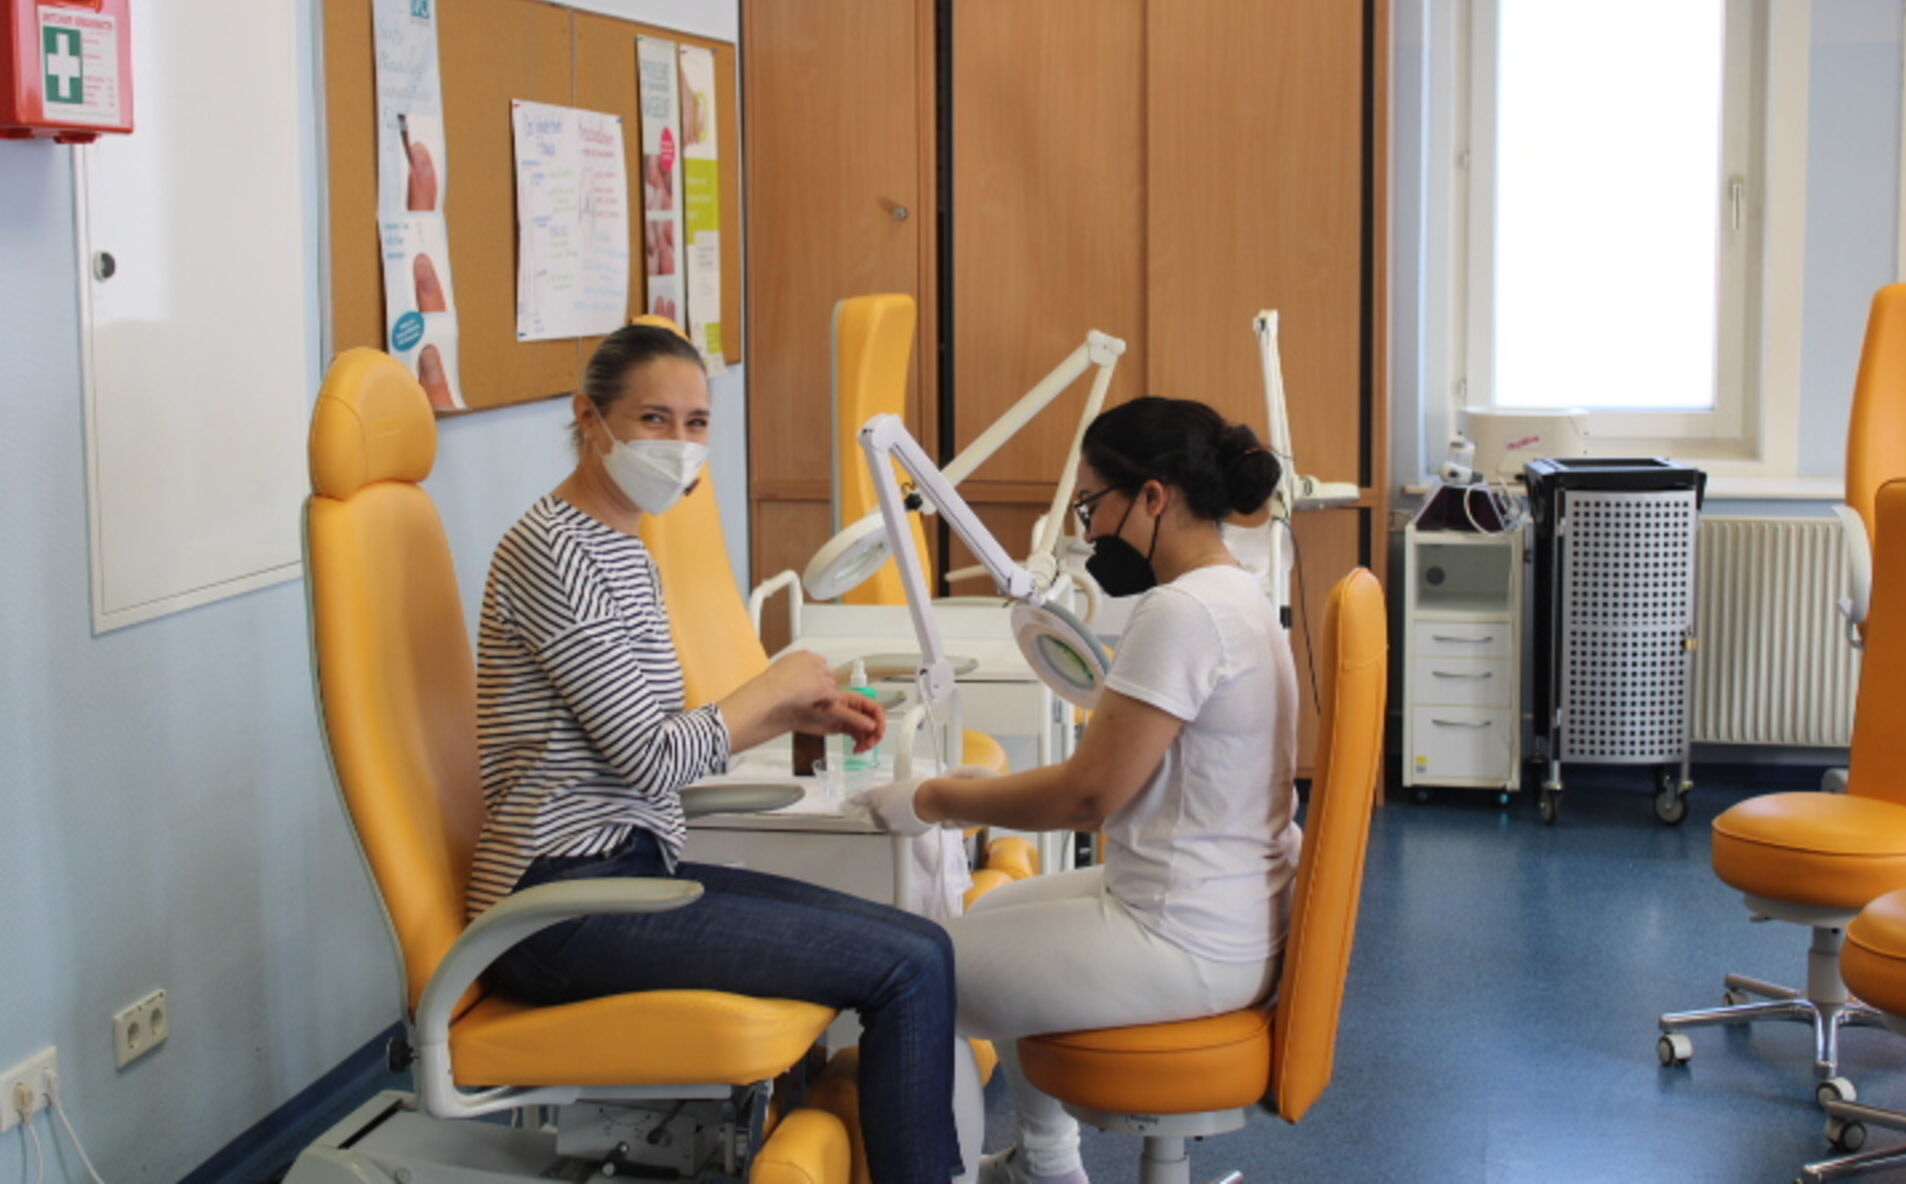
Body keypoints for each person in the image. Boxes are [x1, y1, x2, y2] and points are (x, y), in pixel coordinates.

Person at [473, 323, 964, 1183]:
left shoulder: (621, 546)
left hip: (624, 873)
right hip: (558, 906)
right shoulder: (554, 553)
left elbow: (651, 741)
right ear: (589, 418)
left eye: (696, 422)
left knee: (920, 943)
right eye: (653, 419)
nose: (680, 442)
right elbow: (652, 761)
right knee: (908, 966)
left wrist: (788, 715)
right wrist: (768, 687)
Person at [853, 397, 1296, 1184]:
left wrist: (935, 800)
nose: (1088, 533)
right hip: (1231, 910)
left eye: (1092, 507)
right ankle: (1044, 1165)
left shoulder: (1183, 611)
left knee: (913, 975)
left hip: (1185, 936)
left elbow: (1089, 798)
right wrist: (987, 790)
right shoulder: (1238, 594)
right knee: (994, 920)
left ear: (1152, 497)